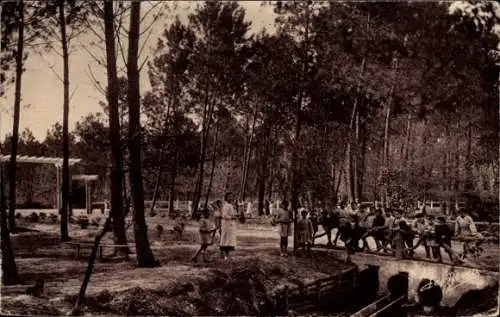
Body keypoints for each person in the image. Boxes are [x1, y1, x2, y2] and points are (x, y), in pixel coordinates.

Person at [220, 192, 238, 260]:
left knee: (229, 240)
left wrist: (235, 216)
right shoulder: (226, 205)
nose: (230, 198)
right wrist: (231, 218)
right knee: (225, 239)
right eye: (229, 197)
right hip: (226, 224)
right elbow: (224, 215)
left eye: (231, 197)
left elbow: (233, 213)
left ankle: (227, 255)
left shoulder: (231, 205)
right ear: (226, 198)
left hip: (231, 224)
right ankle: (225, 255)